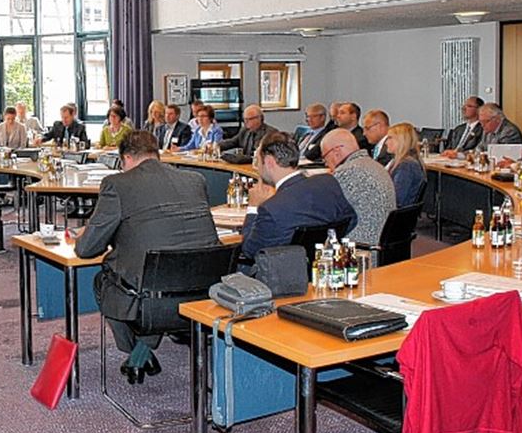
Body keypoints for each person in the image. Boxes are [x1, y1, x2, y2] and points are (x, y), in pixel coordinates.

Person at [74, 131, 221, 384]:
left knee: (103, 281)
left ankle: (137, 353)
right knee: (158, 276)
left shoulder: (117, 184)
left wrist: (88, 231)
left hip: (150, 301)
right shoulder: (194, 179)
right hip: (204, 294)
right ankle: (144, 350)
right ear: (156, 153)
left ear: (127, 158)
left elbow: (86, 249)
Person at [239, 131, 355, 260]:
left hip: (281, 275)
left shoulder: (271, 209)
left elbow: (250, 250)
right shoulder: (328, 182)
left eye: (258, 161)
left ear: (269, 162)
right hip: (324, 268)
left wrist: (253, 208)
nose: (258, 168)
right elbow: (351, 220)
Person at [321, 128, 397, 245]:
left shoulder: (347, 172)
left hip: (360, 247)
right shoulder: (374, 165)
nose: (326, 163)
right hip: (384, 241)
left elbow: (326, 213)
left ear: (336, 151)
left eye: (325, 156)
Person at [385, 122, 426, 207]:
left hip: (394, 214)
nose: (386, 142)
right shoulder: (401, 161)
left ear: (401, 140)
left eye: (390, 138)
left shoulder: (406, 166)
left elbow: (397, 199)